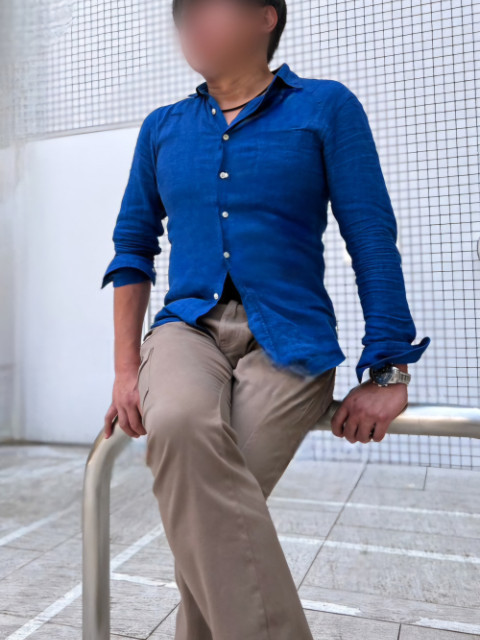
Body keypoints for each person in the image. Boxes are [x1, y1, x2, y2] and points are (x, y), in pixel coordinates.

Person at [101, 0, 431, 637]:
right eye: (183, 14)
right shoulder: (163, 127)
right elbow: (132, 248)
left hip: (291, 337)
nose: (191, 23)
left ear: (263, 18)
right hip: (186, 330)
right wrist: (124, 371)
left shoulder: (325, 108)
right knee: (181, 429)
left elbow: (369, 235)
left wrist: (388, 370)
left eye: (209, 8)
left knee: (211, 522)